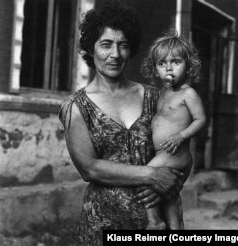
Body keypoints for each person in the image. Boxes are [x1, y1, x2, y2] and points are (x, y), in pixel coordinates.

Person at [59, 2, 186, 245]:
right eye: (106, 44)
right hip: (104, 223)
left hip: (158, 222)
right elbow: (89, 168)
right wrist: (151, 175)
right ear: (91, 48)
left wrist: (173, 180)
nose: (115, 55)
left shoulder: (155, 97)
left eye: (123, 45)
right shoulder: (76, 106)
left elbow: (179, 151)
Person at [141, 32, 206, 230]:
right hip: (165, 154)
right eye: (162, 64)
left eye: (175, 62)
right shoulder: (162, 94)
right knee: (169, 196)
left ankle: (154, 222)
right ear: (155, 70)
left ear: (188, 66)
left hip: (175, 154)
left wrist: (181, 136)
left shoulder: (188, 93)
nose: (169, 68)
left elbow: (200, 119)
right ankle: (175, 228)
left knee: (144, 177)